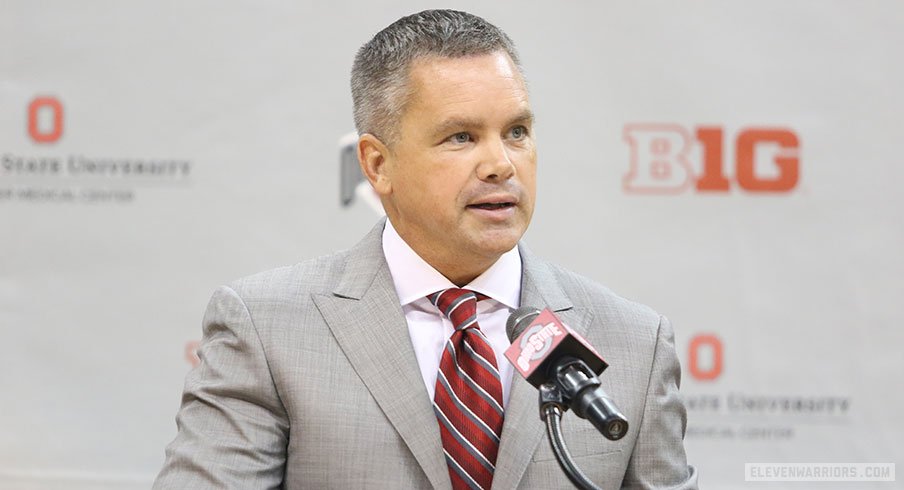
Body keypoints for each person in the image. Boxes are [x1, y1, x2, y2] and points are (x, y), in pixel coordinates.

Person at [154, 9, 698, 489]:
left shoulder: (635, 343)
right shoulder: (269, 328)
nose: (500, 165)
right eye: (460, 137)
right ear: (377, 165)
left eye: (516, 132)